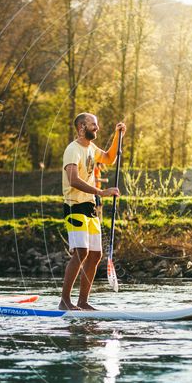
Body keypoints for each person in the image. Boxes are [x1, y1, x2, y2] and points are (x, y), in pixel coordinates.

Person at [61, 113, 125, 310]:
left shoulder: (91, 148)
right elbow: (72, 180)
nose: (96, 128)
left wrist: (118, 135)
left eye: (96, 124)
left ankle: (83, 302)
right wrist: (101, 192)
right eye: (93, 125)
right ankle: (64, 302)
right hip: (74, 206)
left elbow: (109, 158)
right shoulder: (73, 150)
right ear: (81, 127)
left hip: (90, 207)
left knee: (95, 255)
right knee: (81, 252)